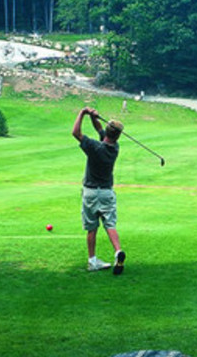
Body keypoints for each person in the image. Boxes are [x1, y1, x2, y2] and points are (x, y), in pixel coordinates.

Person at [72, 106, 127, 275]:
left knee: (92, 227)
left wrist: (83, 113)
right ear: (117, 135)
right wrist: (93, 117)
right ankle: (117, 251)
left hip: (90, 192)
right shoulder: (114, 148)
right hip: (106, 192)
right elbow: (100, 130)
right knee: (110, 224)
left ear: (108, 132)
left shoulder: (95, 147)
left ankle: (92, 261)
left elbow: (76, 133)